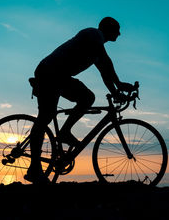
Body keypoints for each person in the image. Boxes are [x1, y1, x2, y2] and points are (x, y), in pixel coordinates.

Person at [25, 17, 134, 183]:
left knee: (87, 98)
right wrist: (118, 85)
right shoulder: (93, 34)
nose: (119, 34)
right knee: (45, 117)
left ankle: (64, 133)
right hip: (50, 73)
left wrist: (116, 91)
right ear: (109, 29)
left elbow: (105, 72)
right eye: (117, 29)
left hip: (58, 75)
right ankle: (35, 168)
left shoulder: (95, 47)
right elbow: (106, 61)